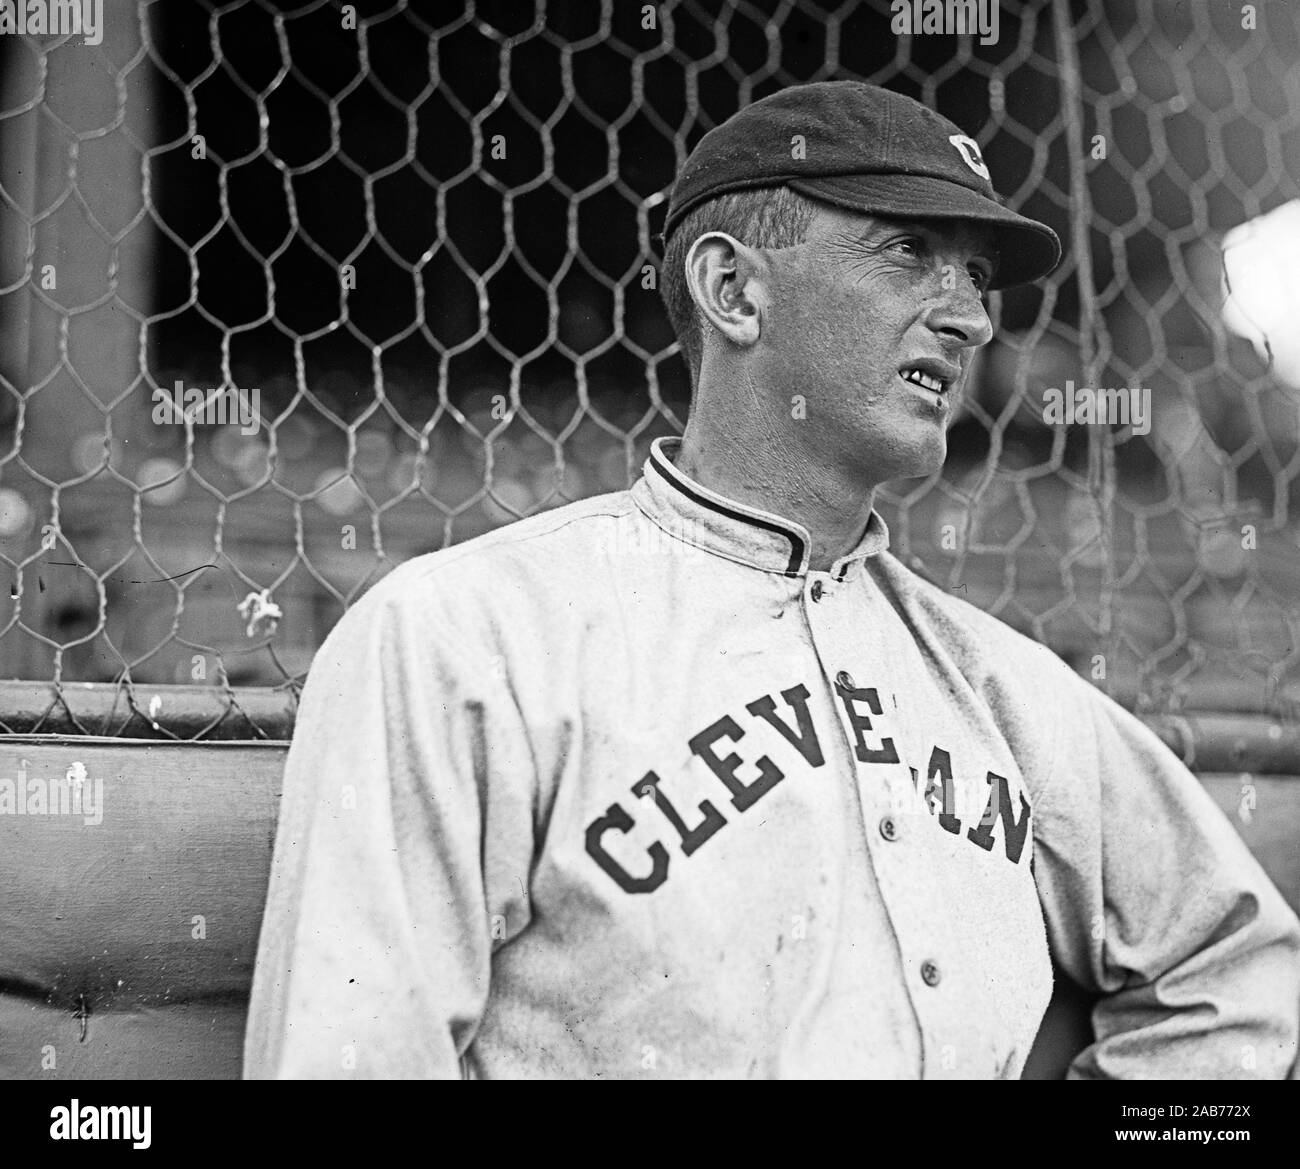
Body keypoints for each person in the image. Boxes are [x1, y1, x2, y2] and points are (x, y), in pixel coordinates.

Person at [244, 81, 1300, 1079]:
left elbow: (1238, 964)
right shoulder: (460, 638)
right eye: (908, 252)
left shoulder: (1005, 690)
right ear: (733, 289)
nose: (972, 315)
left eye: (977, 276)